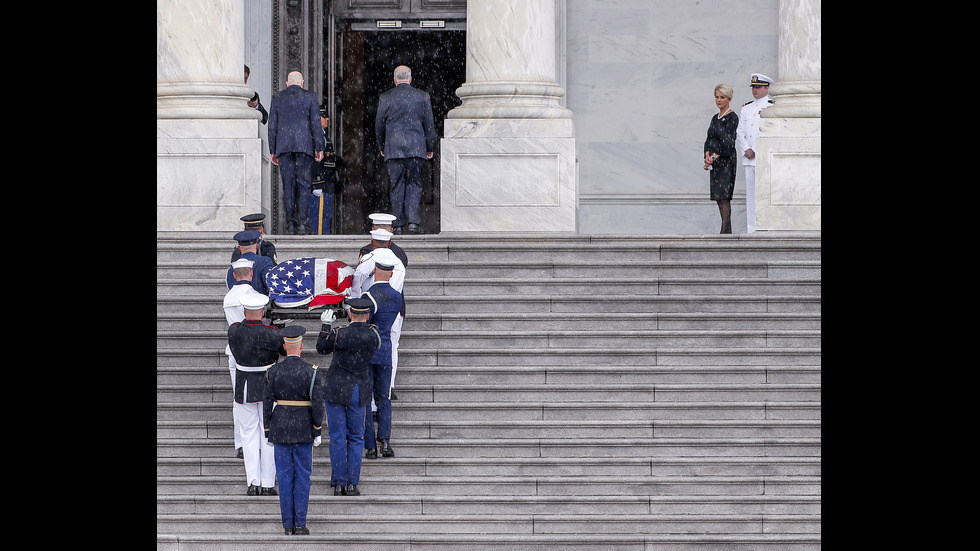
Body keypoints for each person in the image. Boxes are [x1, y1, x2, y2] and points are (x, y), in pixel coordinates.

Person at [263, 325, 325, 535]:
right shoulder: (311, 371)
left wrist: (267, 429)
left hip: (280, 428)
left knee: (284, 476)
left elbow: (266, 403)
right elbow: (317, 404)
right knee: (302, 477)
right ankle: (300, 523)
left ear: (284, 346)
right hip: (303, 429)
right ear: (301, 346)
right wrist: (317, 429)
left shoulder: (273, 371)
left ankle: (288, 525)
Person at [316, 297, 381, 495]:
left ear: (350, 314)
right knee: (356, 437)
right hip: (358, 389)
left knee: (337, 437)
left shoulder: (339, 333)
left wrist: (326, 326)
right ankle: (352, 483)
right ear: (368, 315)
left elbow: (321, 348)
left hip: (336, 388)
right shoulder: (373, 335)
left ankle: (338, 483)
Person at [227, 293, 284, 496]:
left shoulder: (234, 331)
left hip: (244, 386)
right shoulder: (272, 332)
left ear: (244, 311)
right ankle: (268, 483)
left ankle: (253, 482)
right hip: (268, 386)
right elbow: (282, 351)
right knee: (267, 434)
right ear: (263, 312)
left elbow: (241, 336)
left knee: (248, 434)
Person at [375, 65, 436, 235]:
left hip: (393, 148)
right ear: (410, 79)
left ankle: (398, 224)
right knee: (414, 184)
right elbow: (429, 124)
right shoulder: (422, 96)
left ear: (395, 80)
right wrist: (430, 146)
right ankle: (413, 222)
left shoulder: (386, 97)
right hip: (416, 147)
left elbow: (379, 124)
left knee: (396, 186)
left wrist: (382, 146)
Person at [358, 213, 408, 400]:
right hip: (384, 304)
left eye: (382, 229)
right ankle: (380, 389)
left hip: (386, 306)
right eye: (376, 228)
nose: (379, 232)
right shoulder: (367, 251)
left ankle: (388, 386)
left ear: (390, 232)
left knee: (391, 344)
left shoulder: (397, 254)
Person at [268, 71, 324, 235]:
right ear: (302, 82)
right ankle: (303, 224)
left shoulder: (277, 98)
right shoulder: (310, 97)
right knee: (304, 185)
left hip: (284, 147)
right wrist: (319, 147)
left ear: (287, 83)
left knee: (288, 185)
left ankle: (291, 224)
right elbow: (315, 123)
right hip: (304, 147)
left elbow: (272, 125)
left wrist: (273, 150)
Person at [360, 259, 404, 459]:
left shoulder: (368, 296)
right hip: (385, 350)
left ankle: (370, 445)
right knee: (383, 398)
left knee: (366, 400)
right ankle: (385, 440)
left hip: (369, 351)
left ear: (375, 273)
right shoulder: (397, 297)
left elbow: (365, 324)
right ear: (392, 275)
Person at [223, 257, 266, 458]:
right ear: (250, 274)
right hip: (254, 353)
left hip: (234, 351)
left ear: (234, 275)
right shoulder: (254, 297)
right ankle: (257, 440)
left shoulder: (228, 297)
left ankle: (241, 442)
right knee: (258, 400)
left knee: (238, 399)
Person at [736, 73, 775, 234]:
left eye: (758, 87)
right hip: (749, 158)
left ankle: (766, 227)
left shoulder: (773, 106)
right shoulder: (746, 108)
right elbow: (740, 132)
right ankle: (751, 228)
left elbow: (769, 131)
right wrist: (746, 149)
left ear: (767, 88)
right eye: (753, 87)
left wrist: (755, 149)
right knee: (751, 195)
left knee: (766, 193)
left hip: (763, 157)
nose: (755, 90)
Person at [703, 83, 740, 234]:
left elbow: (729, 142)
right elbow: (709, 138)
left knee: (725, 197)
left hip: (726, 162)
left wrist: (715, 155)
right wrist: (707, 155)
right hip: (715, 163)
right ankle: (726, 230)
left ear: (729, 98)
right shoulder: (715, 118)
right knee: (718, 196)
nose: (719, 100)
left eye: (722, 97)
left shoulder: (732, 117)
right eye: (717, 97)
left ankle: (725, 231)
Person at [308, 105, 339, 235]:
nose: (327, 119)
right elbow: (314, 163)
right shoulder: (315, 137)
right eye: (324, 116)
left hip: (327, 184)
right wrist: (317, 183)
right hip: (321, 184)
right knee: (319, 222)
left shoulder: (323, 136)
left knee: (325, 219)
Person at [226, 230, 275, 295]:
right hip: (260, 303)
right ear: (257, 246)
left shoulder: (232, 269)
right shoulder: (265, 262)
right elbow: (270, 285)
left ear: (239, 248)